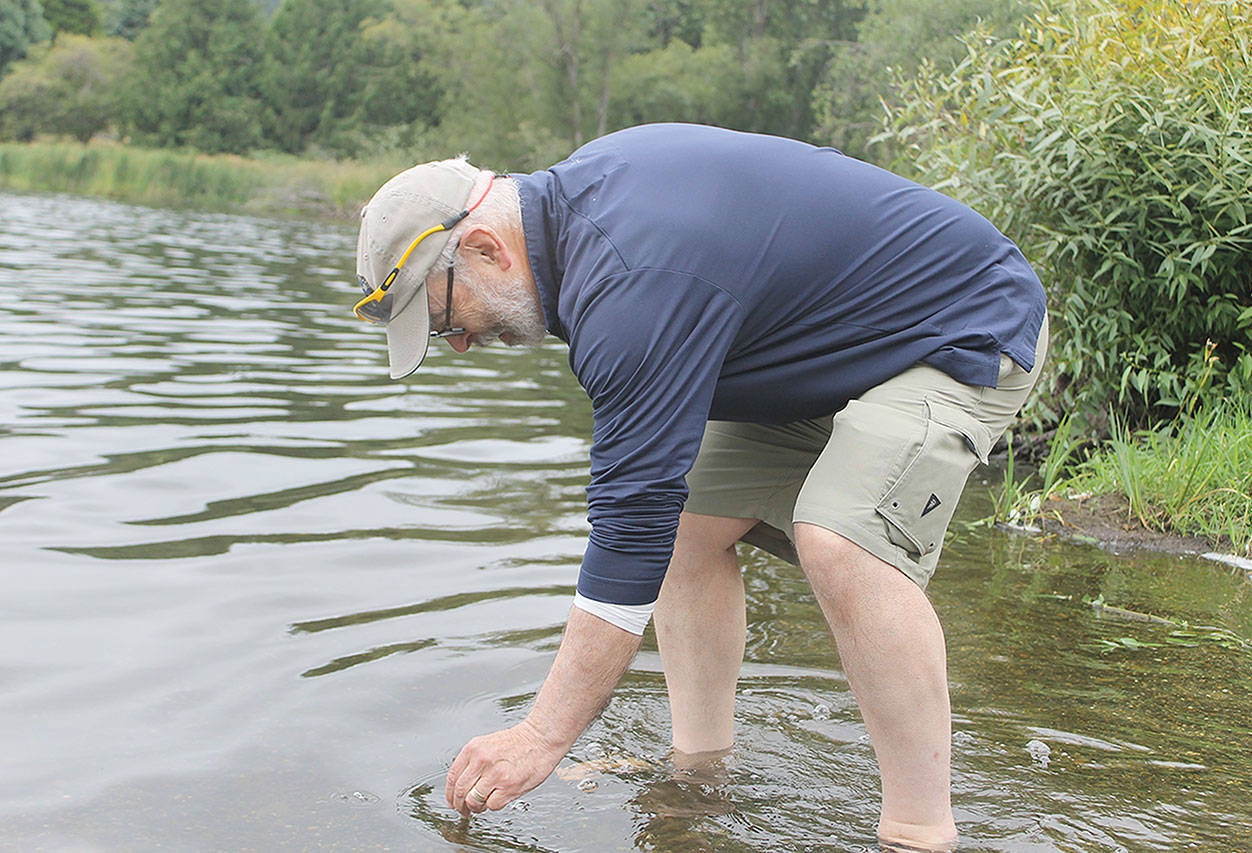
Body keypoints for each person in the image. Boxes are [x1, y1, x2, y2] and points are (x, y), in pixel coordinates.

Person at [352, 123, 1047, 850]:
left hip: (961, 324)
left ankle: (918, 831)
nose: (459, 343)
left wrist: (540, 734)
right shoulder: (578, 227)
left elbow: (627, 533)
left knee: (840, 540)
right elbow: (651, 517)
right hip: (833, 350)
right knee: (687, 523)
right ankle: (700, 777)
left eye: (445, 317)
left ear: (487, 248)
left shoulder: (627, 279)